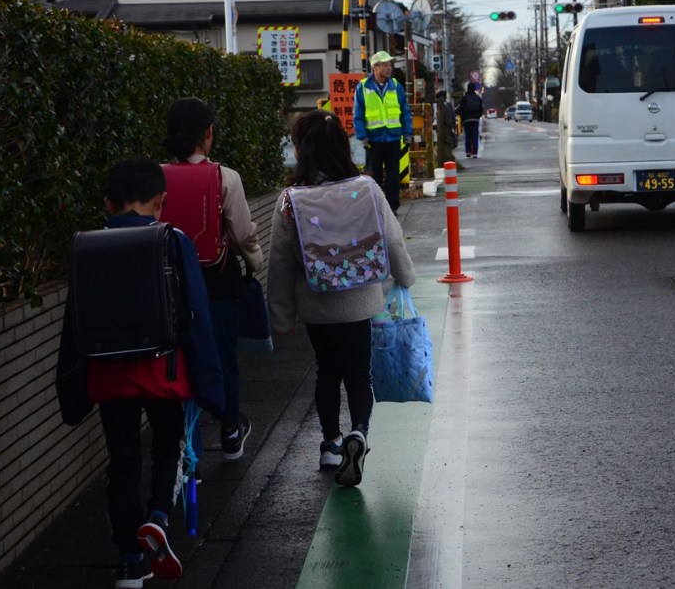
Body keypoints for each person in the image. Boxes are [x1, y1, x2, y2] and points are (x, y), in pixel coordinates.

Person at [55, 157, 225, 589]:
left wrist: (71, 390)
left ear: (108, 204)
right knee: (168, 446)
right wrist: (211, 386)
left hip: (109, 378)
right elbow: (196, 316)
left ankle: (131, 560)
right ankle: (159, 518)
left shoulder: (86, 245)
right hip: (164, 373)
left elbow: (73, 324)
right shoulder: (173, 240)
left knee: (123, 461)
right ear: (161, 201)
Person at [267, 109, 415, 487]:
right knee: (358, 372)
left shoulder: (290, 201)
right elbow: (393, 239)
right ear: (341, 147)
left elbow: (280, 261)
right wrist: (405, 277)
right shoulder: (366, 188)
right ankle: (360, 432)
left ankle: (331, 443)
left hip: (317, 306)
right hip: (361, 301)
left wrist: (282, 317)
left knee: (327, 371)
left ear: (301, 150)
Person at [164, 97, 264, 460]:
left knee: (178, 359)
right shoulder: (225, 177)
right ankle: (230, 429)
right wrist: (255, 262)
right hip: (217, 282)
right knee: (223, 356)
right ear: (208, 133)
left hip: (171, 287)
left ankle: (184, 444)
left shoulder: (156, 177)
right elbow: (242, 233)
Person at [352, 50, 414, 214]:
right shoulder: (363, 87)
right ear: (375, 67)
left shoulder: (395, 85)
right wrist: (362, 137)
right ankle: (376, 207)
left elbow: (405, 111)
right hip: (374, 138)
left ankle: (392, 207)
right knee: (374, 175)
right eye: (385, 65)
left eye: (390, 65)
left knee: (394, 174)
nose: (389, 68)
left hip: (393, 137)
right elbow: (358, 114)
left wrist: (407, 134)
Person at [457, 82, 484, 158]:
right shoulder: (478, 98)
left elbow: (461, 109)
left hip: (466, 120)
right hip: (475, 119)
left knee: (468, 136)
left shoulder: (465, 98)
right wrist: (477, 117)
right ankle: (475, 153)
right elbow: (481, 110)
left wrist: (462, 118)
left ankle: (468, 152)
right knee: (475, 136)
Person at [434, 90, 457, 167]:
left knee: (446, 151)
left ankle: (448, 164)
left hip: (445, 132)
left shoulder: (443, 107)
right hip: (449, 132)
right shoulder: (449, 106)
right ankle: (450, 163)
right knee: (448, 149)